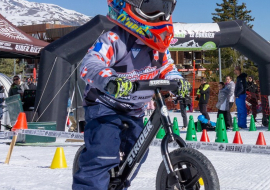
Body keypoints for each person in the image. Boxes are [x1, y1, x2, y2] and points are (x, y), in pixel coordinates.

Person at [72, 0, 189, 189]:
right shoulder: (113, 39)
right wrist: (109, 80)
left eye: (165, 8)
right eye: (153, 8)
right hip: (105, 107)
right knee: (103, 154)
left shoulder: (159, 48)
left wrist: (178, 80)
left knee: (137, 155)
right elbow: (90, 64)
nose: (160, 14)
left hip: (135, 111)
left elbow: (168, 68)